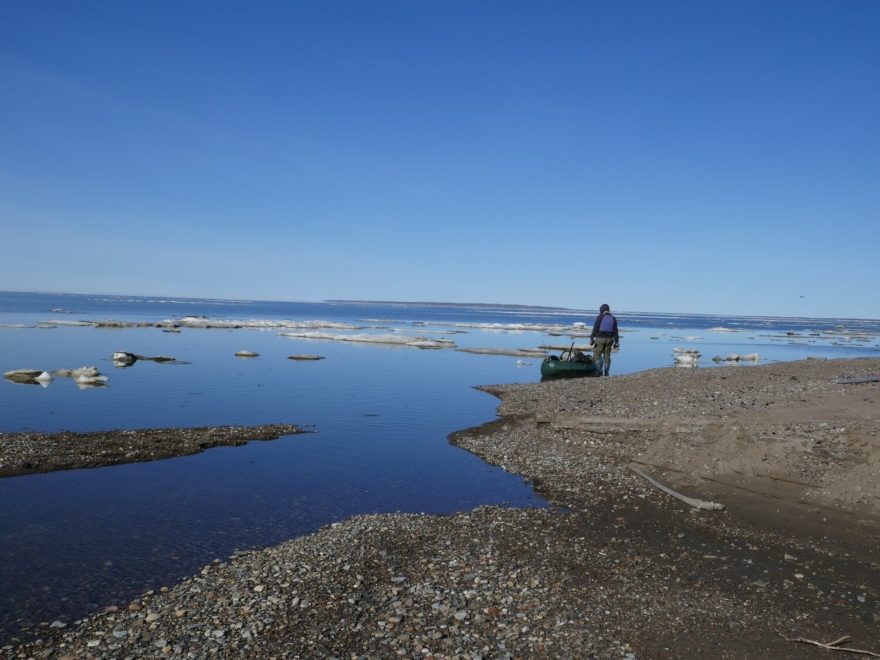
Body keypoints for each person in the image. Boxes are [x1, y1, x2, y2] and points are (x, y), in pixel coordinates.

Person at [590, 303, 619, 376]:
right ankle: (606, 371)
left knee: (596, 354)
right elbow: (616, 331)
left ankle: (599, 370)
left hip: (600, 339)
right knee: (607, 355)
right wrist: (617, 342)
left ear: (602, 310)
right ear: (608, 310)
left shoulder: (600, 317)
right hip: (610, 340)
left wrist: (591, 338)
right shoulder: (613, 318)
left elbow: (595, 328)